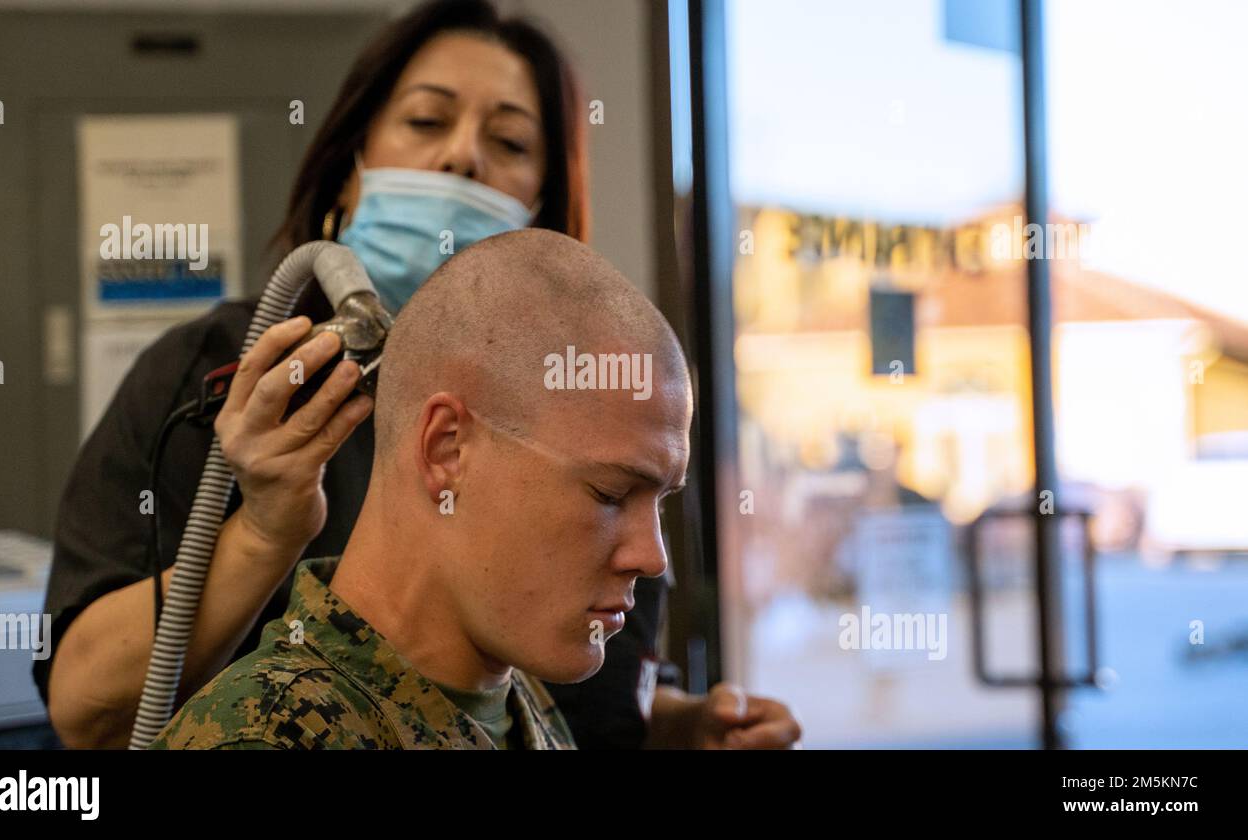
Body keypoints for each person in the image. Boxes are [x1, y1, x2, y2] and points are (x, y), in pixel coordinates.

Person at [41, 0, 801, 750]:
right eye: (427, 122)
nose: (463, 157)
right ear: (350, 168)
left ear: (541, 205)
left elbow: (587, 700)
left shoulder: (592, 408)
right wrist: (262, 533)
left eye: (509, 141)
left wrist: (675, 724)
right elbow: (89, 711)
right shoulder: (217, 375)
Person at [155, 228, 686, 749]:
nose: (652, 556)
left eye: (660, 500)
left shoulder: (518, 707)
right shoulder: (271, 735)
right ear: (447, 450)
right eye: (610, 494)